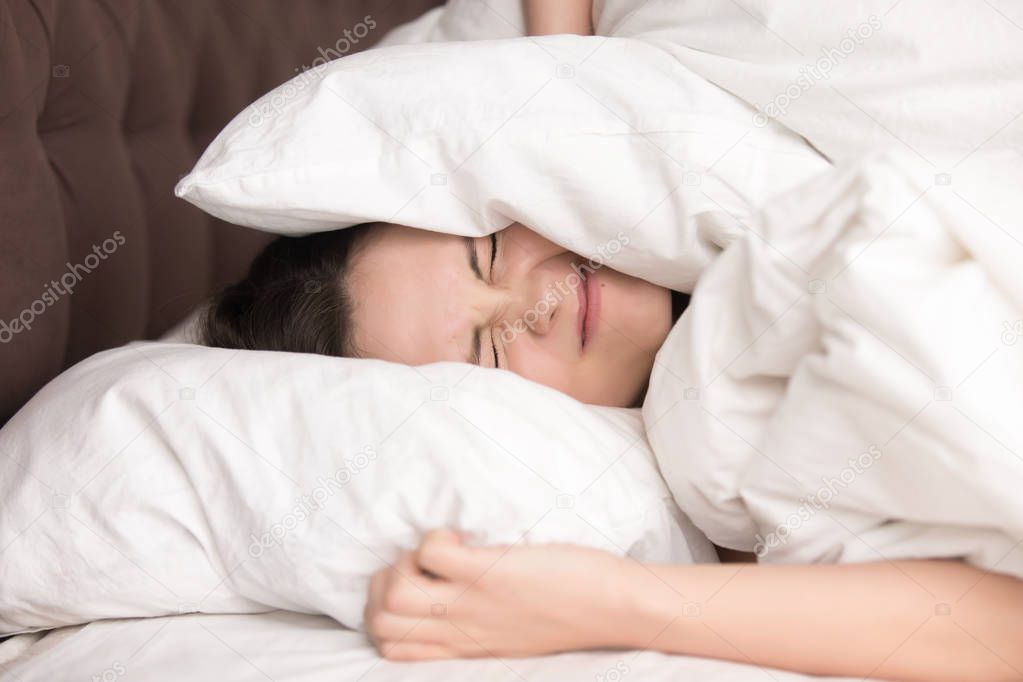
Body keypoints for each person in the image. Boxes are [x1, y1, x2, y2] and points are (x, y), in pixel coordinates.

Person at [200, 3, 1023, 679]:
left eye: (488, 252)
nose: (533, 304)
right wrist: (620, 601)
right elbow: (998, 631)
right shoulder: (728, 457)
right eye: (488, 353)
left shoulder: (657, 81)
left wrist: (565, 74)